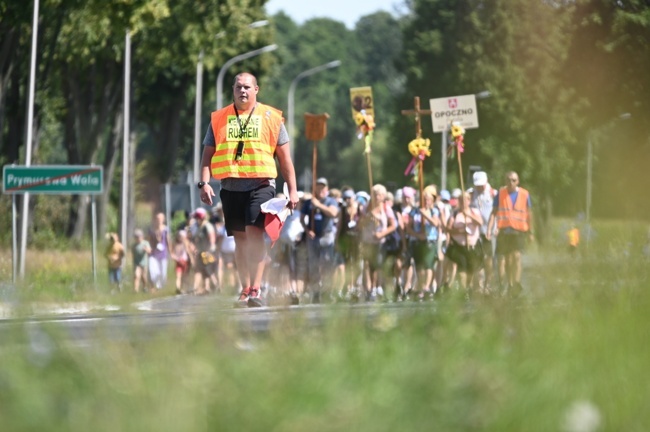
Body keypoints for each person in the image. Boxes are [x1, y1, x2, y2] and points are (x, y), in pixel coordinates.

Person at [198, 72, 299, 307]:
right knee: (240, 242)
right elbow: (206, 158)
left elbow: (285, 160)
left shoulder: (271, 118)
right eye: (238, 87)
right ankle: (244, 288)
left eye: (247, 87)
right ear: (232, 90)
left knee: (254, 234)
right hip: (231, 187)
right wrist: (204, 183)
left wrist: (292, 190)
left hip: (261, 185)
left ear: (256, 90)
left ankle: (256, 288)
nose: (242, 91)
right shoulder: (219, 119)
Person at [487, 171, 534, 297]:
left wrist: (531, 232)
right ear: (505, 181)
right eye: (508, 180)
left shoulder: (524, 194)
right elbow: (494, 212)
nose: (511, 182)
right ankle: (510, 283)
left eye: (513, 180)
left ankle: (517, 283)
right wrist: (489, 228)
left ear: (517, 181)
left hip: (519, 231)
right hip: (504, 231)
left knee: (517, 256)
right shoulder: (500, 194)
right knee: (507, 259)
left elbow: (529, 214)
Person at [301, 177, 339, 303]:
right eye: (318, 187)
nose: (321, 189)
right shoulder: (308, 202)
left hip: (326, 236)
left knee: (327, 264)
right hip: (313, 237)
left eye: (323, 187)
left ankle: (328, 291)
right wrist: (307, 230)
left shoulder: (331, 201)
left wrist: (318, 205)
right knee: (314, 266)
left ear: (326, 188)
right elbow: (302, 218)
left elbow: (333, 214)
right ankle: (316, 292)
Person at [445, 192, 483, 294]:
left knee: (471, 269)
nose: (463, 202)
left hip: (472, 246)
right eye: (461, 200)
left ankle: (468, 288)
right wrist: (460, 231)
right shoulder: (455, 213)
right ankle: (464, 290)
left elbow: (480, 222)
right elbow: (448, 228)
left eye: (465, 199)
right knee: (462, 267)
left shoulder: (474, 211)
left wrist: (469, 216)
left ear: (469, 201)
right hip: (459, 246)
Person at [468, 171, 497, 293]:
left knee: (488, 258)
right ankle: (478, 285)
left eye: (481, 185)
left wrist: (497, 226)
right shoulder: (471, 194)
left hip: (489, 231)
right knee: (477, 258)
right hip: (475, 232)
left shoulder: (493, 193)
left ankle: (488, 283)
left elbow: (498, 211)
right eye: (477, 185)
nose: (479, 187)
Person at [191, 207, 219, 295]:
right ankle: (206, 287)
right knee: (203, 270)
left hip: (207, 252)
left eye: (198, 217)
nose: (197, 219)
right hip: (201, 252)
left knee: (208, 270)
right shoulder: (199, 226)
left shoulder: (207, 226)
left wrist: (209, 251)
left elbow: (212, 239)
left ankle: (216, 286)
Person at [147, 212, 172, 290]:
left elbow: (168, 241)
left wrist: (170, 252)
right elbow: (149, 240)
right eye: (157, 219)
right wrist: (148, 248)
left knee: (163, 272)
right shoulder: (151, 230)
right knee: (152, 270)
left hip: (163, 254)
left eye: (160, 219)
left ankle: (161, 287)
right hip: (153, 254)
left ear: (163, 219)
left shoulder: (165, 229)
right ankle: (154, 285)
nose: (159, 220)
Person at [171, 229, 192, 294]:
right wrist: (176, 258)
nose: (180, 238)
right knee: (178, 276)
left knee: (185, 276)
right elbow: (172, 253)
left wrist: (191, 259)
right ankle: (178, 288)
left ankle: (185, 287)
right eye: (179, 236)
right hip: (178, 262)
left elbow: (189, 251)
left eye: (182, 237)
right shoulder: (175, 244)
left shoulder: (186, 243)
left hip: (185, 261)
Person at [132, 229, 152, 293]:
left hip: (144, 263)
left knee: (144, 277)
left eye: (139, 237)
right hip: (137, 263)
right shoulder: (134, 245)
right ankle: (136, 289)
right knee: (136, 275)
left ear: (142, 237)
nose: (138, 238)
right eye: (136, 237)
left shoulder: (145, 243)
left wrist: (146, 249)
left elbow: (149, 251)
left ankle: (145, 287)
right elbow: (133, 254)